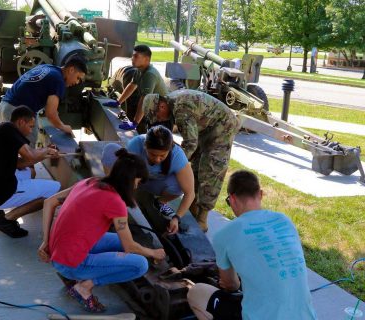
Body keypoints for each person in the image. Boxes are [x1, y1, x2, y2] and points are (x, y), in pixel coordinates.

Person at [38, 148, 166, 312]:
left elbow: (49, 202)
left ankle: (76, 273)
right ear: (130, 180)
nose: (136, 186)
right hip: (69, 263)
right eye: (137, 182)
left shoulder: (90, 181)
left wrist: (46, 242)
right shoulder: (116, 202)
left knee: (120, 241)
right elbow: (130, 247)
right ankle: (84, 286)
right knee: (140, 264)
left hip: (58, 251)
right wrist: (154, 253)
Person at [187, 170, 317, 320]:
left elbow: (231, 285)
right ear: (260, 195)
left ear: (233, 199)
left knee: (196, 292)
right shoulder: (285, 220)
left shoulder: (224, 234)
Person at [142, 89, 241, 231]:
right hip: (207, 127)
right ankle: (193, 207)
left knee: (211, 170)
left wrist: (171, 166)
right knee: (194, 168)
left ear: (162, 106)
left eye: (157, 116)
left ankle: (202, 218)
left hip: (223, 126)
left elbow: (190, 144)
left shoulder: (180, 110)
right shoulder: (171, 103)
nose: (159, 120)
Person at [0, 106, 61, 238]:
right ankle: (7, 220)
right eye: (30, 126)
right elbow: (31, 156)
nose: (30, 131)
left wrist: (45, 153)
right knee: (54, 190)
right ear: (21, 122)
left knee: (31, 172)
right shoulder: (9, 131)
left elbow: (19, 163)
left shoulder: (3, 130)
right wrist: (46, 151)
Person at [102, 125, 194, 234]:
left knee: (179, 186)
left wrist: (176, 218)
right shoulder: (135, 145)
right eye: (152, 154)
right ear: (145, 146)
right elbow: (125, 171)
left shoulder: (177, 155)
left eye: (162, 156)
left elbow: (190, 193)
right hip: (136, 177)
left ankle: (160, 202)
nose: (157, 159)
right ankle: (111, 194)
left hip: (155, 183)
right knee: (110, 149)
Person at [0, 56, 88, 145]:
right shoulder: (58, 81)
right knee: (28, 151)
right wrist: (63, 127)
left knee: (8, 151)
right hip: (17, 114)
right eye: (78, 78)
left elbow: (50, 108)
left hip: (4, 107)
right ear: (71, 70)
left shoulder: (48, 68)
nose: (77, 82)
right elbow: (51, 114)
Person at [116, 45, 168, 130]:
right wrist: (118, 102)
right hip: (154, 109)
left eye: (136, 56)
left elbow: (145, 99)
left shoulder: (149, 74)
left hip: (162, 113)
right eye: (132, 56)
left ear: (146, 59)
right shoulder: (139, 70)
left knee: (156, 140)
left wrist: (135, 123)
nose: (132, 58)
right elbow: (132, 86)